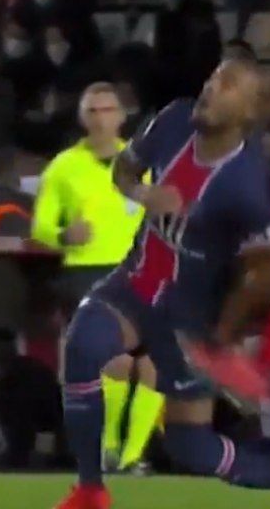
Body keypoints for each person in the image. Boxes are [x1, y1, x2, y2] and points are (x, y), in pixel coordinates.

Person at [69, 58, 270, 509]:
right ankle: (90, 490)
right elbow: (123, 170)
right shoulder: (173, 120)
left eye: (228, 85)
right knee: (82, 345)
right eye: (212, 79)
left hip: (187, 317)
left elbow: (264, 270)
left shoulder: (246, 185)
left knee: (191, 448)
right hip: (135, 283)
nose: (211, 88)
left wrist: (221, 338)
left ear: (250, 110)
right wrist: (144, 193)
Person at [32, 82, 161, 478]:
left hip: (138, 270)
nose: (101, 118)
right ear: (82, 118)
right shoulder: (64, 166)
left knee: (152, 363)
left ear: (121, 117)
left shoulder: (140, 163)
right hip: (87, 272)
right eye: (93, 111)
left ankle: (133, 455)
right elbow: (40, 225)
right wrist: (63, 235)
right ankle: (108, 446)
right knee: (114, 361)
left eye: (107, 110)